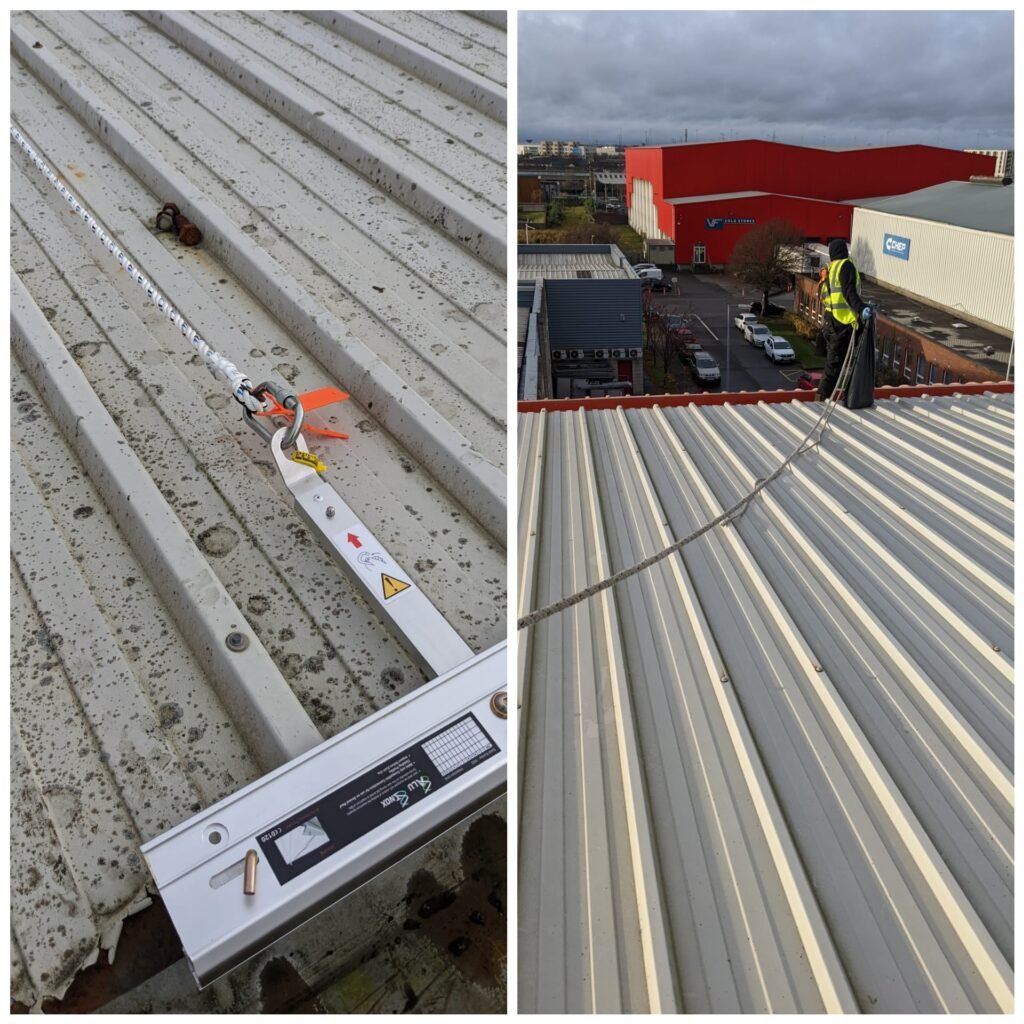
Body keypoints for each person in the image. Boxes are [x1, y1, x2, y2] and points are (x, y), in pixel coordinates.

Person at [818, 239, 872, 400]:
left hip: (830, 321)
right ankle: (822, 400)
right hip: (841, 323)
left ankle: (826, 397)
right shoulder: (845, 266)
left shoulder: (829, 269)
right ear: (844, 251)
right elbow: (849, 292)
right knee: (835, 366)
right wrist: (861, 308)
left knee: (835, 364)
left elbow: (824, 296)